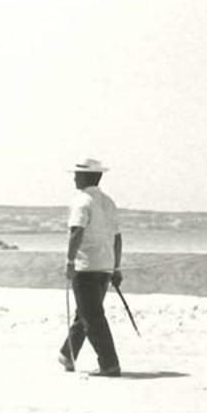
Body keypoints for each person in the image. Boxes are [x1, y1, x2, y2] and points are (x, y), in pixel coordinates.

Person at [57, 158, 124, 377]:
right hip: (105, 267)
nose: (75, 177)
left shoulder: (81, 201)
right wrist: (116, 267)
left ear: (86, 177)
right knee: (86, 313)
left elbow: (77, 232)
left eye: (77, 174)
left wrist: (69, 262)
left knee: (92, 316)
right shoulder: (109, 202)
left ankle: (109, 364)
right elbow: (117, 238)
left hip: (86, 268)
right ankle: (68, 354)